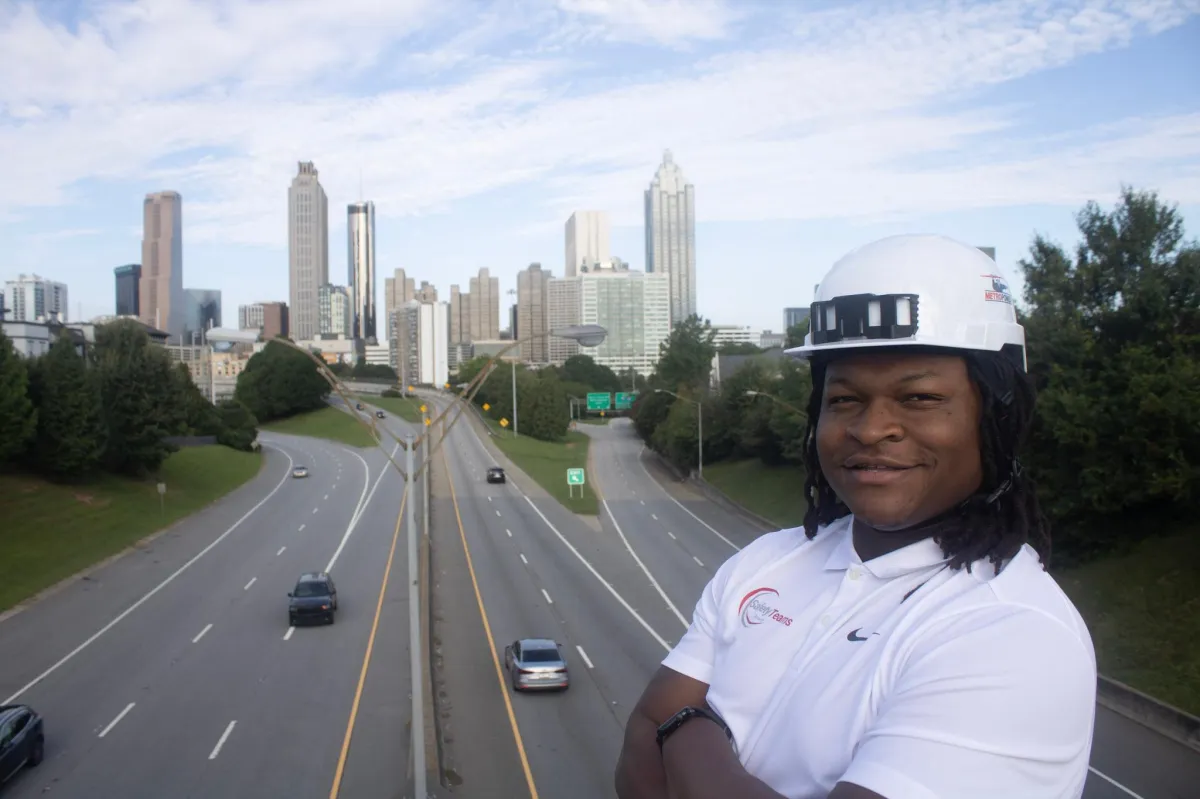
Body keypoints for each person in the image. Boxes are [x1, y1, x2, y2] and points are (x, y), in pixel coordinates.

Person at [615, 234, 1097, 799]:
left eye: (918, 399)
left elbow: (658, 721)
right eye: (844, 400)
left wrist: (685, 725)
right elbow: (636, 747)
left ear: (997, 417)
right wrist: (671, 730)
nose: (871, 429)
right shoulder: (766, 563)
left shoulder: (1013, 632)